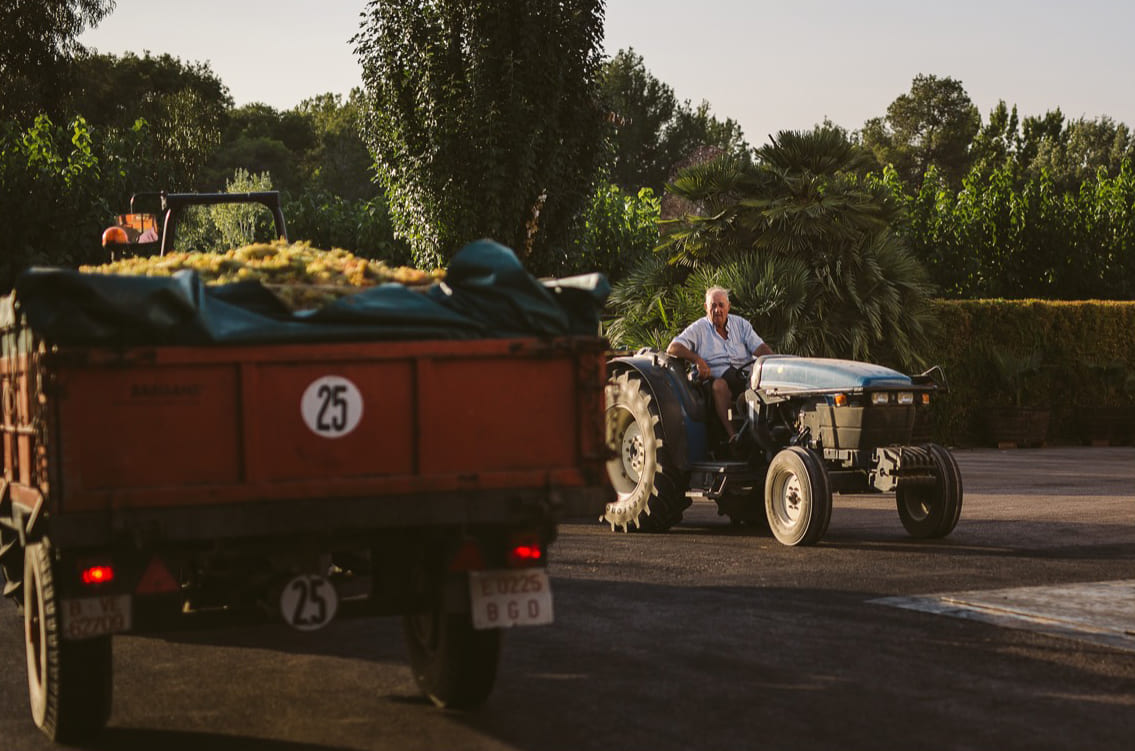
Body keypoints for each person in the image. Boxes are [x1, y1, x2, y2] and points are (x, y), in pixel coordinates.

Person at [666, 286, 773, 445]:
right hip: (718, 378)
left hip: (746, 376)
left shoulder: (741, 324)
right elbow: (673, 348)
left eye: (721, 305)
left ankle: (767, 429)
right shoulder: (699, 329)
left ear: (728, 307)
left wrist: (776, 361)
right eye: (713, 306)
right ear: (706, 308)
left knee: (764, 377)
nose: (717, 310)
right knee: (719, 385)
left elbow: (759, 347)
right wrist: (698, 360)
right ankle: (734, 438)